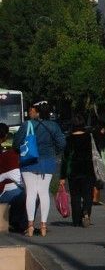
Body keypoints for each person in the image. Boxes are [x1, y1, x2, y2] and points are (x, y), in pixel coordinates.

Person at [13, 101, 66, 237]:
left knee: (30, 193)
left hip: (29, 162)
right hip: (47, 161)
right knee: (43, 192)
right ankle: (43, 226)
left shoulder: (27, 125)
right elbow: (62, 143)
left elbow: (16, 144)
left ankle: (30, 226)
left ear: (37, 112)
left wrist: (22, 151)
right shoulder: (54, 126)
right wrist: (53, 152)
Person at [60, 114, 98, 228]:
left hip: (74, 171)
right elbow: (96, 153)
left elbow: (65, 159)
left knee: (75, 196)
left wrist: (62, 176)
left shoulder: (69, 139)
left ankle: (76, 221)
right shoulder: (89, 137)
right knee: (87, 195)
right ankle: (86, 212)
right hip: (88, 170)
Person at [0, 123, 28, 233]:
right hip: (3, 191)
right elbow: (16, 177)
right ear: (6, 136)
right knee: (24, 195)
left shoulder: (5, 152)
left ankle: (16, 221)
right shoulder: (10, 154)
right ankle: (20, 223)